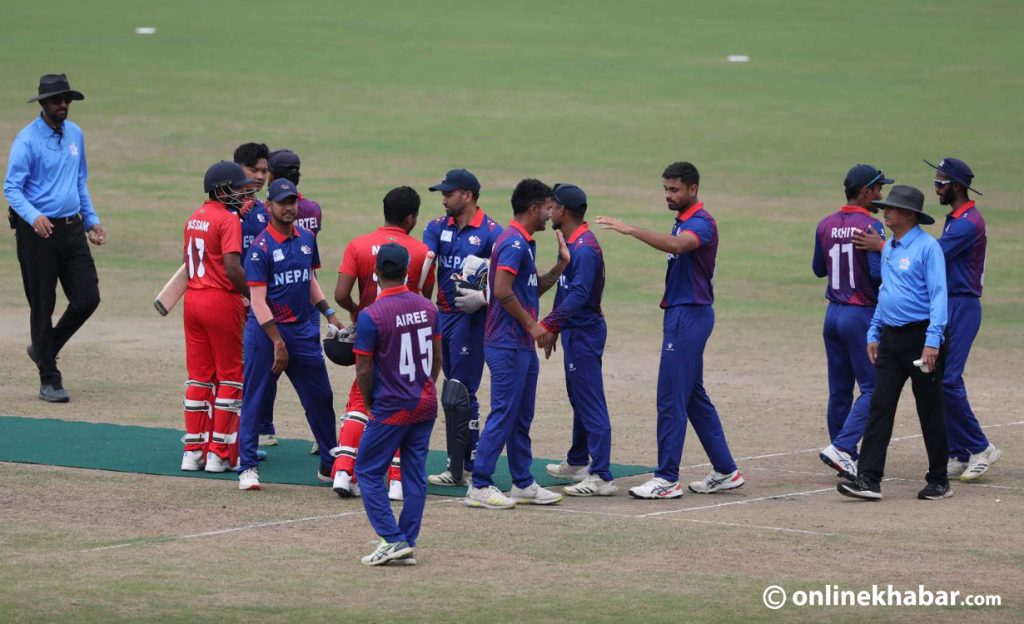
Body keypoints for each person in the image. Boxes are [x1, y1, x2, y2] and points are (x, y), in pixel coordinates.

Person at [596, 161, 744, 499]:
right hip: (683, 314)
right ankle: (725, 470)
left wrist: (630, 230)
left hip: (688, 316)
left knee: (670, 397)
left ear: (693, 189)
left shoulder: (701, 223)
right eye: (665, 189)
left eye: (674, 189)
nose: (668, 195)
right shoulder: (683, 222)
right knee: (692, 397)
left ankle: (666, 479)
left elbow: (680, 247)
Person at [837, 185, 951, 501]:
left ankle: (939, 479)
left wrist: (932, 343)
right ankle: (869, 480)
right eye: (886, 207)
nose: (885, 211)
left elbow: (939, 298)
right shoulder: (889, 247)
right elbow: (886, 293)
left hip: (922, 338)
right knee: (879, 406)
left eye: (893, 208)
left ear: (910, 215)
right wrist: (874, 332)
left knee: (929, 409)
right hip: (890, 338)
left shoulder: (929, 249)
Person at [465, 178, 568, 510]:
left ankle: (522, 482)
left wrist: (561, 265)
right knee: (505, 413)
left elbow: (528, 290)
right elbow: (501, 290)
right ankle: (479, 484)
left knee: (521, 415)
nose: (553, 215)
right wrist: (533, 326)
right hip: (506, 343)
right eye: (549, 208)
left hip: (519, 343)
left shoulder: (524, 243)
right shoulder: (512, 243)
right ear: (534, 208)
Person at [237, 179, 343, 491]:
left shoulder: (307, 238)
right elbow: (257, 301)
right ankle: (248, 468)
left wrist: (330, 314)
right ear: (268, 207)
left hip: (301, 330)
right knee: (255, 398)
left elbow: (308, 279)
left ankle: (329, 463)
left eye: (292, 201)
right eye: (282, 202)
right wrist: (277, 342)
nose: (289, 207)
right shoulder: (260, 249)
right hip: (266, 333)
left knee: (321, 398)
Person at [5, 73, 105, 402]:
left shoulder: (76, 134)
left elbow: (79, 181)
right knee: (42, 305)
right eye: (55, 100)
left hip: (72, 228)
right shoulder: (27, 140)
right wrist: (34, 217)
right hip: (38, 234)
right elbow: (11, 188)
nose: (62, 105)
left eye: (66, 100)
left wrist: (91, 220)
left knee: (88, 297)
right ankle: (49, 377)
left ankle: (44, 348)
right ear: (43, 104)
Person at [331, 186, 435, 500]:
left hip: (370, 328)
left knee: (360, 403)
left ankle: (342, 472)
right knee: (404, 410)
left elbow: (339, 294)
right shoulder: (420, 252)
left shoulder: (358, 245)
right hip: (405, 338)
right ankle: (397, 479)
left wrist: (356, 312)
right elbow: (425, 299)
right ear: (411, 217)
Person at [353, 243, 441, 566]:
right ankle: (406, 539)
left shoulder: (371, 316)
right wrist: (424, 384)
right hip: (425, 402)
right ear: (407, 271)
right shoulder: (428, 308)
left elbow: (364, 368)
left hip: (392, 406)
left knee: (367, 470)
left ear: (376, 272)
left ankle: (392, 539)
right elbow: (437, 357)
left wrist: (369, 401)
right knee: (414, 475)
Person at [421, 168, 503, 487]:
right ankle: (465, 462)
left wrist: (483, 298)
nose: (443, 199)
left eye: (448, 193)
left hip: (472, 321)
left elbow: (509, 279)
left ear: (467, 195)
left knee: (461, 391)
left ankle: (465, 464)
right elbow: (428, 260)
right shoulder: (437, 227)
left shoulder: (492, 233)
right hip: (442, 318)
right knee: (454, 392)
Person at [812, 164, 891, 479]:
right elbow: (876, 273)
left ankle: (843, 455)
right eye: (877, 189)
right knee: (874, 387)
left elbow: (819, 269)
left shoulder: (825, 224)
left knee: (839, 390)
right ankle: (843, 448)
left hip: (832, 313)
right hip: (861, 314)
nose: (880, 195)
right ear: (864, 191)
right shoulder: (872, 226)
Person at [537, 183, 616, 496]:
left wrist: (549, 323)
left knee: (590, 399)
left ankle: (601, 476)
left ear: (563, 211)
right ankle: (578, 459)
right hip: (574, 330)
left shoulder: (583, 249)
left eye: (552, 207)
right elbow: (564, 289)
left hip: (584, 332)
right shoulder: (571, 242)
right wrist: (556, 327)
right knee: (578, 396)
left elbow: (580, 295)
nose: (548, 212)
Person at [927, 157, 1001, 481]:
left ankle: (981, 447)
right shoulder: (957, 218)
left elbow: (932, 256)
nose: (936, 187)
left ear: (957, 185)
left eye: (941, 181)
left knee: (948, 380)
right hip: (950, 303)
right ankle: (959, 452)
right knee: (941, 381)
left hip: (963, 305)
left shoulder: (968, 223)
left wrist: (891, 248)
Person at [179, 161, 252, 472]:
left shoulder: (194, 217)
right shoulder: (228, 220)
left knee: (199, 376)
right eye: (236, 189)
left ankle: (193, 450)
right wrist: (252, 294)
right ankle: (219, 453)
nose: (241, 193)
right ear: (222, 190)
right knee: (231, 376)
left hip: (192, 300)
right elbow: (233, 267)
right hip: (221, 300)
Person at [254, 147, 325, 449]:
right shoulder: (313, 208)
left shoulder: (265, 210)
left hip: (278, 297)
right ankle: (318, 436)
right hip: (307, 296)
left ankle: (265, 428)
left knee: (270, 364)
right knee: (311, 369)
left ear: (272, 175)